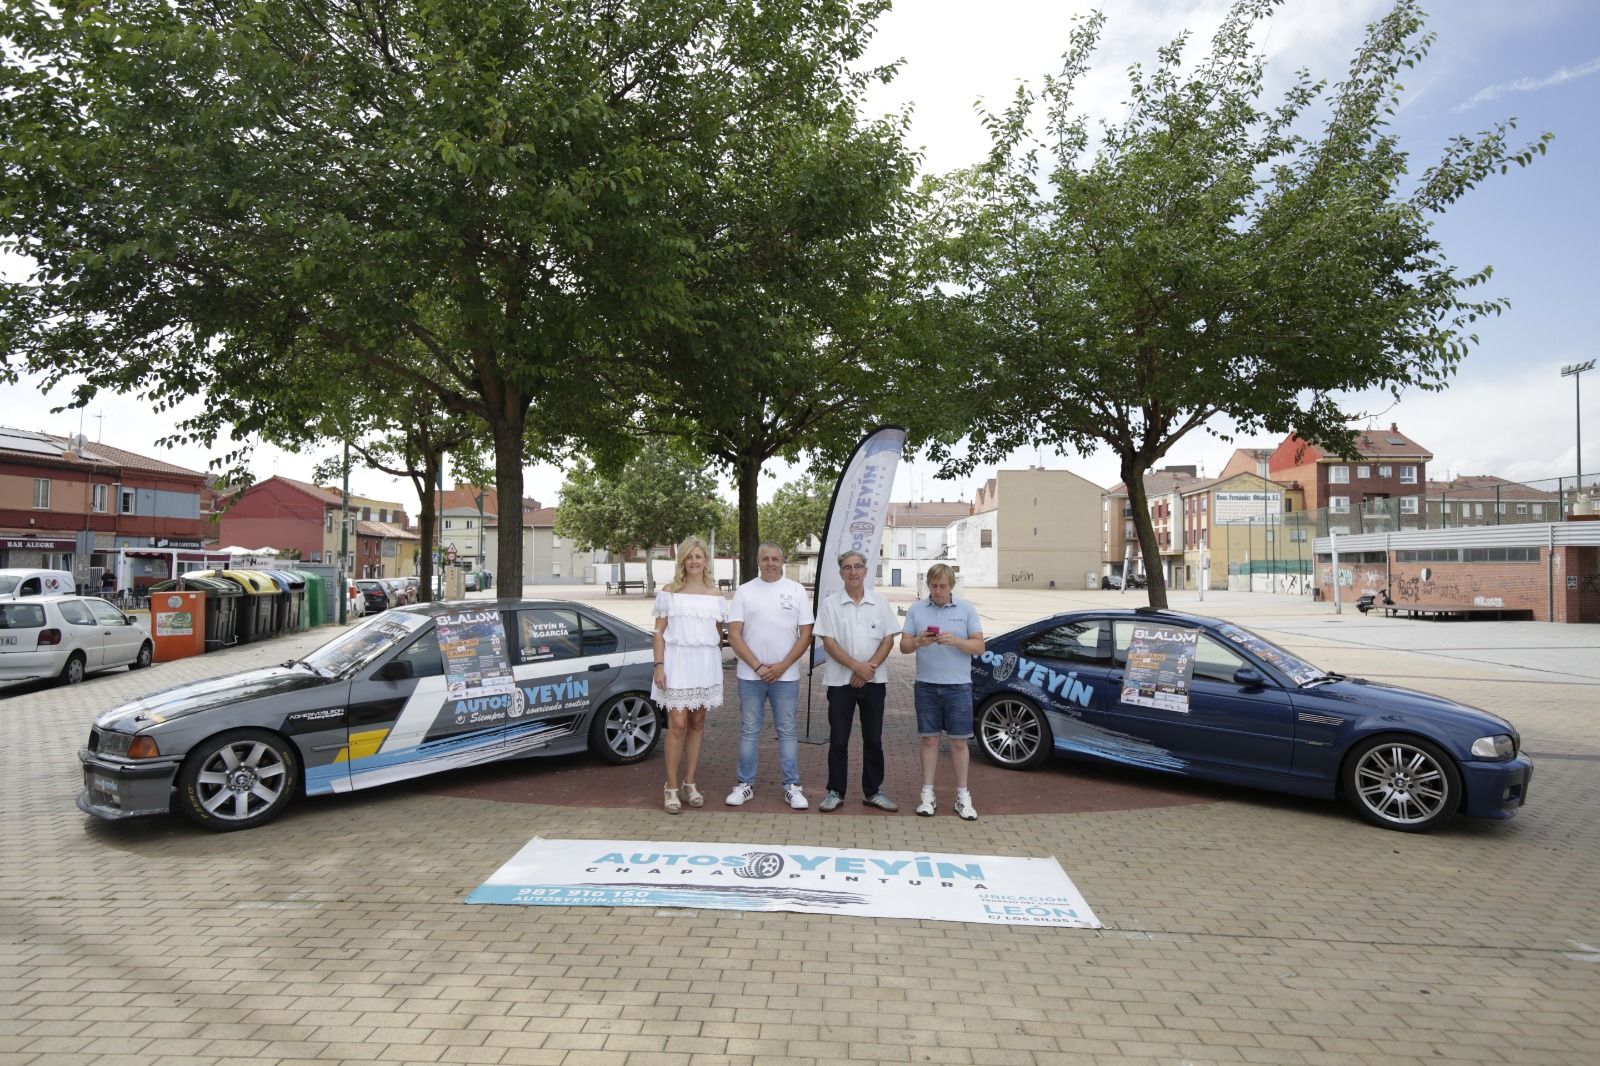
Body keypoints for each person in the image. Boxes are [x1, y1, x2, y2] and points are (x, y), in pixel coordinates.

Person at [725, 541, 814, 809]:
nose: (771, 563)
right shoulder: (744, 592)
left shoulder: (796, 591)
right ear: (757, 561)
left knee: (787, 731)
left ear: (783, 560)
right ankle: (744, 785)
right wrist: (758, 666)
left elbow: (806, 634)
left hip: (785, 677)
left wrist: (782, 665)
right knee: (749, 730)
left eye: (775, 558)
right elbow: (734, 634)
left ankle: (791, 786)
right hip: (751, 676)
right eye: (765, 559)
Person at [814, 550, 899, 813]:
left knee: (873, 739)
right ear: (840, 573)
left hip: (874, 682)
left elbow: (888, 639)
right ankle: (835, 791)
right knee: (839, 739)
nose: (853, 572)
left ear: (865, 571)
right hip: (841, 683)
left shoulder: (880, 602)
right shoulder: (830, 604)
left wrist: (868, 669)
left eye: (858, 566)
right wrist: (856, 667)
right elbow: (828, 642)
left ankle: (873, 791)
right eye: (847, 567)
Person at [900, 562, 985, 820]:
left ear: (951, 587)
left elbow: (979, 646)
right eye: (933, 586)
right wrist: (918, 641)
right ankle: (927, 793)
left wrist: (957, 641)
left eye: (942, 586)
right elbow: (904, 646)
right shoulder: (916, 610)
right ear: (928, 586)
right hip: (926, 684)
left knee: (959, 742)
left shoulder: (967, 609)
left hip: (958, 686)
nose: (937, 591)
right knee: (929, 739)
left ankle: (962, 795)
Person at [651, 536, 727, 814]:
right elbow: (658, 632)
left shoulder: (716, 595)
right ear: (682, 560)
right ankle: (670, 786)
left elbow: (718, 634)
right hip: (676, 661)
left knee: (697, 722)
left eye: (699, 556)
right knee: (678, 724)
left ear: (706, 560)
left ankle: (690, 783)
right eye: (690, 556)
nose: (695, 561)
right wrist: (659, 665)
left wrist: (714, 663)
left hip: (705, 662)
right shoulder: (670, 592)